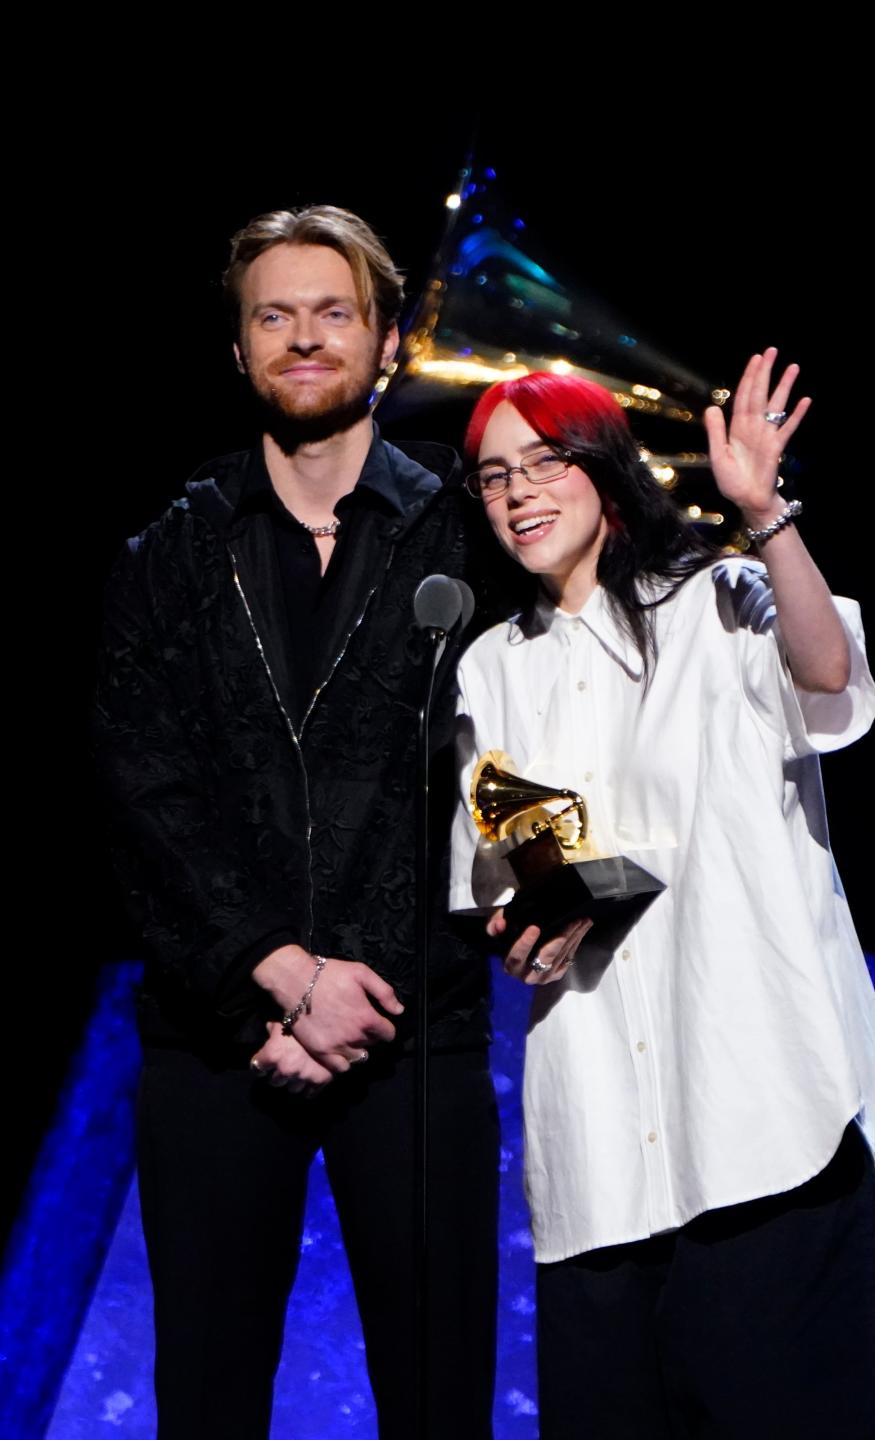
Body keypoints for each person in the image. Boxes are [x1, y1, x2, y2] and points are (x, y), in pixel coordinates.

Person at [450, 353, 875, 1440]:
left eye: (544, 461)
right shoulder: (490, 668)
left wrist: (768, 517)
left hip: (764, 1124)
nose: (518, 490)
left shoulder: (719, 597)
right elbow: (531, 863)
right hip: (601, 1159)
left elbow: (828, 679)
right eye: (492, 476)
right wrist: (529, 933)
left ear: (605, 471)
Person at [94, 205, 499, 1440]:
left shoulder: (474, 531)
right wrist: (270, 973)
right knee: (206, 1404)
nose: (304, 337)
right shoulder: (170, 549)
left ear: (386, 344)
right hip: (218, 1034)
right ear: (239, 350)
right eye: (274, 314)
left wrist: (349, 989)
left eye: (334, 312)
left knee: (440, 1405)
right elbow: (143, 787)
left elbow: (483, 774)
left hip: (412, 1031)